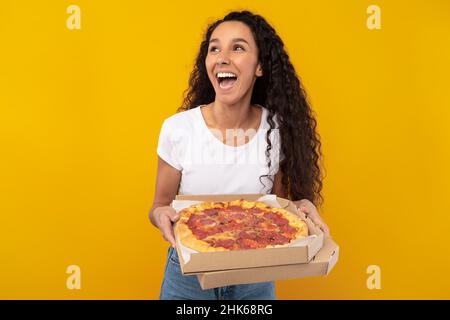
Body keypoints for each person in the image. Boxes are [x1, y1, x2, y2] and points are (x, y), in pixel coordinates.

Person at [149, 10, 330, 300]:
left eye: (238, 47)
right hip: (188, 278)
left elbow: (276, 208)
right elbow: (158, 205)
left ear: (260, 66)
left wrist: (300, 206)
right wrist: (161, 215)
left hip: (255, 277)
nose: (222, 56)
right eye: (214, 48)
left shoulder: (277, 129)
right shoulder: (178, 129)